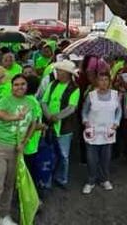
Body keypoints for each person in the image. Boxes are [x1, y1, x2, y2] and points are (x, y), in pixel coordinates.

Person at [0, 75, 38, 225]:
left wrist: (25, 141)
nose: (19, 87)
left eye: (23, 84)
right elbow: (0, 115)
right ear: (11, 86)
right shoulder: (5, 101)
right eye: (16, 84)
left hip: (16, 150)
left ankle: (4, 217)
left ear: (27, 86)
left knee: (9, 185)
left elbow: (33, 123)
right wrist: (16, 117)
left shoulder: (31, 102)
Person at [40, 59, 81, 189]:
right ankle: (48, 178)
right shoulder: (52, 84)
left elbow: (71, 107)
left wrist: (56, 117)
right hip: (50, 125)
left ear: (67, 73)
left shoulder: (74, 89)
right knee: (49, 153)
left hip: (64, 127)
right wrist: (48, 115)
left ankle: (62, 178)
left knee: (63, 155)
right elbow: (44, 101)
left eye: (60, 71)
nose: (57, 72)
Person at [81, 71, 121, 194]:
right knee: (92, 158)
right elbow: (84, 111)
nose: (103, 82)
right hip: (93, 131)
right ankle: (91, 181)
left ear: (109, 81)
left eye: (106, 80)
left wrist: (116, 123)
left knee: (106, 158)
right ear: (97, 82)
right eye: (101, 80)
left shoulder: (115, 95)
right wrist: (85, 121)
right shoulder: (91, 96)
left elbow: (118, 111)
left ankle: (105, 179)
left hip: (108, 131)